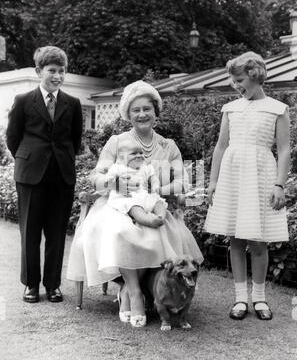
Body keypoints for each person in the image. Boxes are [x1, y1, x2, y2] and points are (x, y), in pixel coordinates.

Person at [66, 80, 203, 328]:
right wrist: (114, 184)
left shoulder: (167, 146)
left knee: (159, 231)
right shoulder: (116, 142)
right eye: (136, 110)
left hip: (153, 205)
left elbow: (183, 182)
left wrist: (159, 189)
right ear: (128, 114)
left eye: (146, 109)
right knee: (122, 230)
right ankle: (133, 292)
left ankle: (149, 290)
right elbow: (96, 177)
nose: (142, 114)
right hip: (116, 206)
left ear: (155, 112)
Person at [204, 51, 290, 321]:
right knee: (236, 239)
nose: (236, 85)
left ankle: (260, 298)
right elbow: (220, 146)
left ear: (255, 76)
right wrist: (213, 182)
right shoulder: (230, 109)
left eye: (239, 80)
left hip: (261, 174)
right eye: (233, 81)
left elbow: (285, 149)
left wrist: (279, 184)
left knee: (258, 239)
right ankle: (240, 298)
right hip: (233, 174)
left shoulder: (277, 109)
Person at [6, 46, 83, 303]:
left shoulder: (73, 104)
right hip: (30, 176)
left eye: (62, 71)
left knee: (57, 231)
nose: (58, 76)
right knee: (29, 232)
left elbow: (75, 139)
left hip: (61, 176)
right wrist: (28, 159)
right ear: (39, 71)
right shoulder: (23, 101)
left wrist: (60, 160)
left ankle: (53, 285)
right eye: (52, 70)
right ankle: (30, 284)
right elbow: (13, 139)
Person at [104, 138, 168, 228]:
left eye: (141, 153)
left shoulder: (145, 168)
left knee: (158, 202)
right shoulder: (117, 168)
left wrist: (155, 185)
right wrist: (116, 184)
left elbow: (153, 178)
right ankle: (148, 220)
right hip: (125, 198)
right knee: (135, 207)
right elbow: (107, 182)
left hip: (142, 196)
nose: (139, 155)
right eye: (134, 153)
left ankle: (160, 217)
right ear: (122, 157)